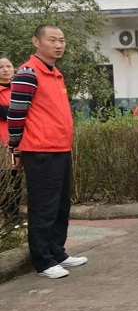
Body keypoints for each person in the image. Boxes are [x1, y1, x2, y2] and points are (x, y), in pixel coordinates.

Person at [7, 25, 88, 279]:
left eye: (61, 40)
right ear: (36, 41)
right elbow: (16, 113)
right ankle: (42, 261)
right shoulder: (28, 73)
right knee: (43, 206)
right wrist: (15, 146)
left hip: (61, 148)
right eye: (52, 40)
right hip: (39, 150)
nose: (58, 45)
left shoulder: (55, 73)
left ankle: (57, 252)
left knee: (61, 204)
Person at [0, 56, 24, 229]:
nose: (5, 69)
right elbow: (6, 112)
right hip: (2, 143)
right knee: (5, 179)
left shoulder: (18, 88)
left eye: (8, 66)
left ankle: (15, 216)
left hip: (18, 141)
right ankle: (8, 217)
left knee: (16, 179)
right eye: (1, 67)